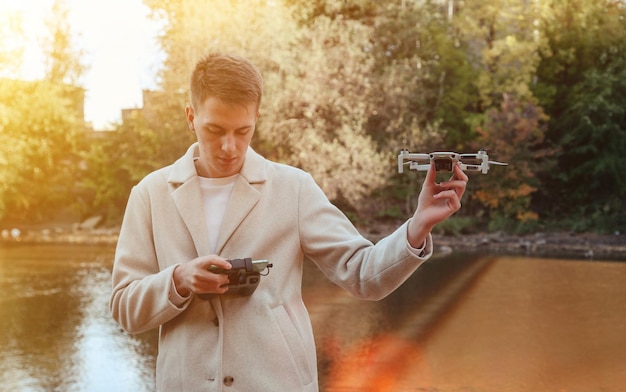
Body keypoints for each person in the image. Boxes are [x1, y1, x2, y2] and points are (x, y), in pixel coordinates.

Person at [110, 52, 468, 392]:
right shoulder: (150, 194)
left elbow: (363, 274)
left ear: (257, 120)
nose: (230, 147)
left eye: (243, 131)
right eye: (215, 130)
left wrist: (419, 224)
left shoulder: (293, 188)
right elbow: (125, 308)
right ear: (190, 116)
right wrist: (178, 280)